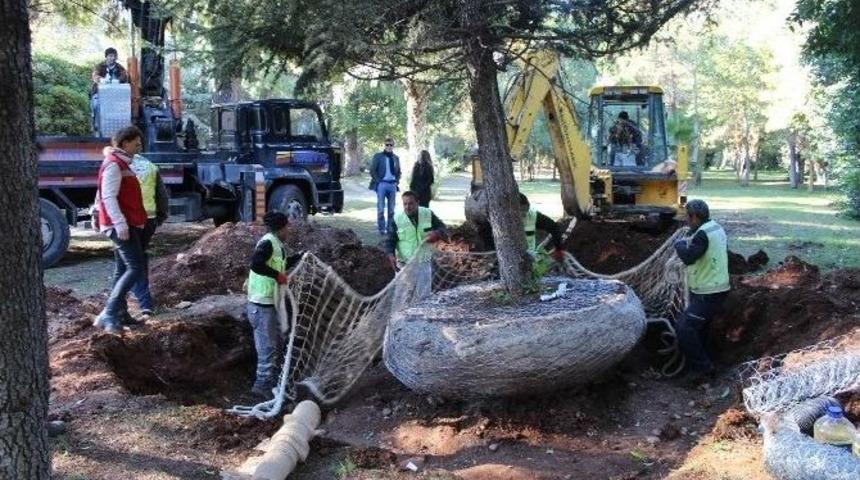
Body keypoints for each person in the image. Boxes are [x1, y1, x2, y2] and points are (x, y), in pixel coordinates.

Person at [93, 126, 149, 334]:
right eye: (136, 143)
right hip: (120, 226)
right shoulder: (114, 165)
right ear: (125, 143)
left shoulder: (122, 163)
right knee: (136, 267)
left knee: (123, 269)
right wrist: (120, 223)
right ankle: (108, 313)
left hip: (127, 223)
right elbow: (107, 196)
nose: (139, 147)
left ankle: (120, 313)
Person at [247, 212, 303, 399]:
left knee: (275, 343)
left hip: (270, 302)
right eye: (287, 226)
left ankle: (271, 383)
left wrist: (300, 257)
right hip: (260, 303)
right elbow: (256, 264)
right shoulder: (268, 243)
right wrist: (277, 276)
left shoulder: (277, 245)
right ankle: (261, 386)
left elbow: (281, 264)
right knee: (267, 346)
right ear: (281, 227)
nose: (289, 230)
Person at [672, 199, 730, 380]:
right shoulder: (715, 227)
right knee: (700, 329)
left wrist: (679, 245)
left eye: (688, 218)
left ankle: (703, 368)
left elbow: (689, 257)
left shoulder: (702, 235)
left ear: (695, 216)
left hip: (709, 292)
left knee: (684, 328)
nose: (686, 221)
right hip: (716, 288)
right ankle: (705, 365)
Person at [128, 153, 170, 317]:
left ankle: (141, 302)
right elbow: (162, 196)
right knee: (138, 258)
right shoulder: (151, 166)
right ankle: (139, 301)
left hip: (129, 221)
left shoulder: (121, 167)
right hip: (149, 219)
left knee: (130, 262)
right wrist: (161, 216)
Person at [386, 191, 447, 268]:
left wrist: (437, 233)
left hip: (425, 262)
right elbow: (390, 240)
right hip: (404, 264)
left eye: (411, 203)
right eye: (405, 204)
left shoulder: (427, 213)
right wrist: (390, 254)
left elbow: (443, 228)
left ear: (417, 202)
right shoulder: (397, 218)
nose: (407, 207)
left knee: (424, 280)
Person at [518, 193, 566, 263]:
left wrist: (558, 249)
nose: (524, 214)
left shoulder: (532, 215)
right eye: (522, 211)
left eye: (526, 210)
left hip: (529, 256)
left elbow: (554, 227)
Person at [90, 48, 129, 131]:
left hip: (115, 95)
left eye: (114, 56)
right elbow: (95, 76)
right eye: (110, 56)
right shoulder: (99, 66)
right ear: (106, 57)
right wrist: (102, 80)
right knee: (96, 104)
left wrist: (118, 80)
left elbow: (124, 76)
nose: (113, 58)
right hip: (100, 93)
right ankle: (95, 124)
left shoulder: (119, 67)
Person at [368, 138, 401, 235]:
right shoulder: (378, 156)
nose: (389, 146)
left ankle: (390, 228)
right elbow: (372, 170)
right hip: (382, 184)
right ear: (384, 145)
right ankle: (381, 229)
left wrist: (397, 181)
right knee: (381, 208)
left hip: (392, 184)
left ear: (393, 146)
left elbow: (399, 172)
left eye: (391, 145)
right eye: (387, 145)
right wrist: (378, 182)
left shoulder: (396, 158)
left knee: (391, 209)